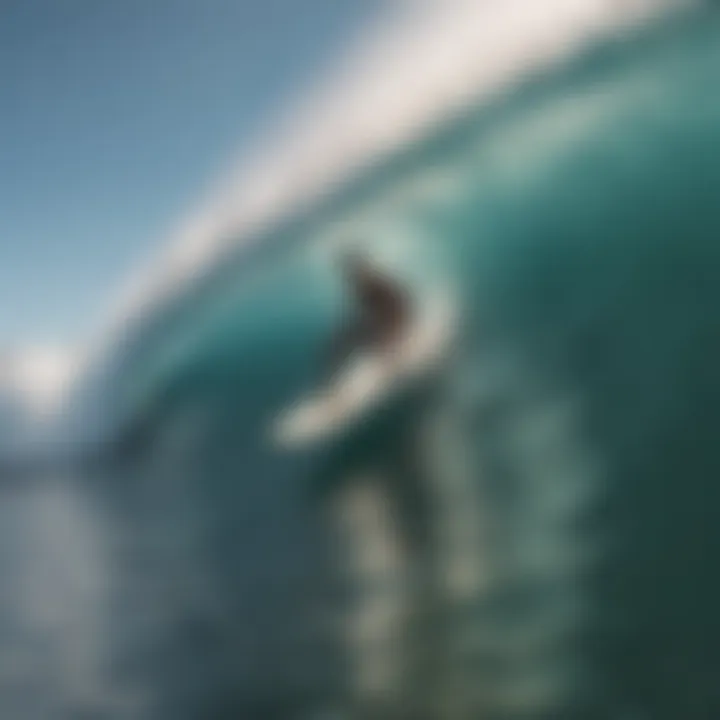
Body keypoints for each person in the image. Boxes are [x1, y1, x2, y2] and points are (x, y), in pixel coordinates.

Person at [323, 251, 413, 381]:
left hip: (394, 327)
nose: (350, 277)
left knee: (354, 337)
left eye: (353, 271)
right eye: (349, 274)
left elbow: (401, 307)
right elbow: (370, 314)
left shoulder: (378, 284)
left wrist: (390, 340)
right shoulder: (362, 288)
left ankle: (391, 361)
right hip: (380, 325)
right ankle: (333, 379)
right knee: (339, 340)